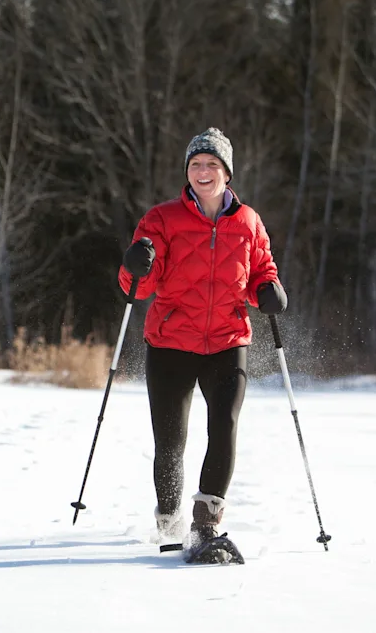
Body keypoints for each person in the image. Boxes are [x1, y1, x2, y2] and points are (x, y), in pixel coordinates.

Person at [118, 127, 287, 550]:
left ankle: (205, 523)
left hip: (228, 341)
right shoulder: (161, 219)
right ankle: (170, 518)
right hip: (171, 341)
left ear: (227, 173)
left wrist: (268, 289)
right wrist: (134, 264)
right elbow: (137, 288)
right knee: (171, 439)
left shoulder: (248, 222)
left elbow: (261, 270)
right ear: (187, 172)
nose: (203, 171)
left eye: (212, 164)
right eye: (196, 164)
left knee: (224, 424)